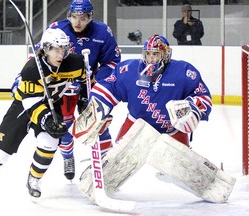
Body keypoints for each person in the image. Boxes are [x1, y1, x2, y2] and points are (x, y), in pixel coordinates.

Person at [71, 35, 213, 201]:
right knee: (118, 157)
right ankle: (101, 180)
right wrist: (97, 107)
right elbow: (110, 85)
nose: (151, 59)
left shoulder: (183, 72)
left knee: (185, 165)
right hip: (136, 125)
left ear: (166, 55)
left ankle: (207, 183)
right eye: (148, 54)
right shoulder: (130, 70)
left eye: (156, 54)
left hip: (171, 129)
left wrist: (193, 108)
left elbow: (202, 95)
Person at [0, 28, 86, 199]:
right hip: (24, 106)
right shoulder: (32, 69)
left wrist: (85, 98)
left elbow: (86, 80)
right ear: (46, 49)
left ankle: (34, 179)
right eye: (56, 50)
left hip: (52, 105)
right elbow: (32, 105)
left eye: (63, 50)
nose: (60, 55)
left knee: (49, 143)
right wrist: (47, 120)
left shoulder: (76, 63)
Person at [37, 0, 121, 181]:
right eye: (74, 17)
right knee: (65, 124)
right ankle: (68, 157)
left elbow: (113, 61)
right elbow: (40, 55)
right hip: (64, 84)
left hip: (91, 82)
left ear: (90, 17)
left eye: (82, 18)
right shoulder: (57, 29)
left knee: (98, 121)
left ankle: (107, 160)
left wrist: (96, 82)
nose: (78, 22)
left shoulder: (102, 32)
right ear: (69, 16)